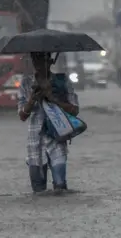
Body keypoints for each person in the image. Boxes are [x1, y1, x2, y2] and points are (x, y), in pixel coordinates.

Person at [17, 52, 79, 194]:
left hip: (57, 138)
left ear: (50, 61)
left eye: (43, 60)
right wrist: (32, 99)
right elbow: (22, 116)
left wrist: (52, 98)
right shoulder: (26, 83)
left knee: (60, 187)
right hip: (35, 144)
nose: (39, 64)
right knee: (38, 192)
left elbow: (74, 110)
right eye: (36, 60)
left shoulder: (62, 81)